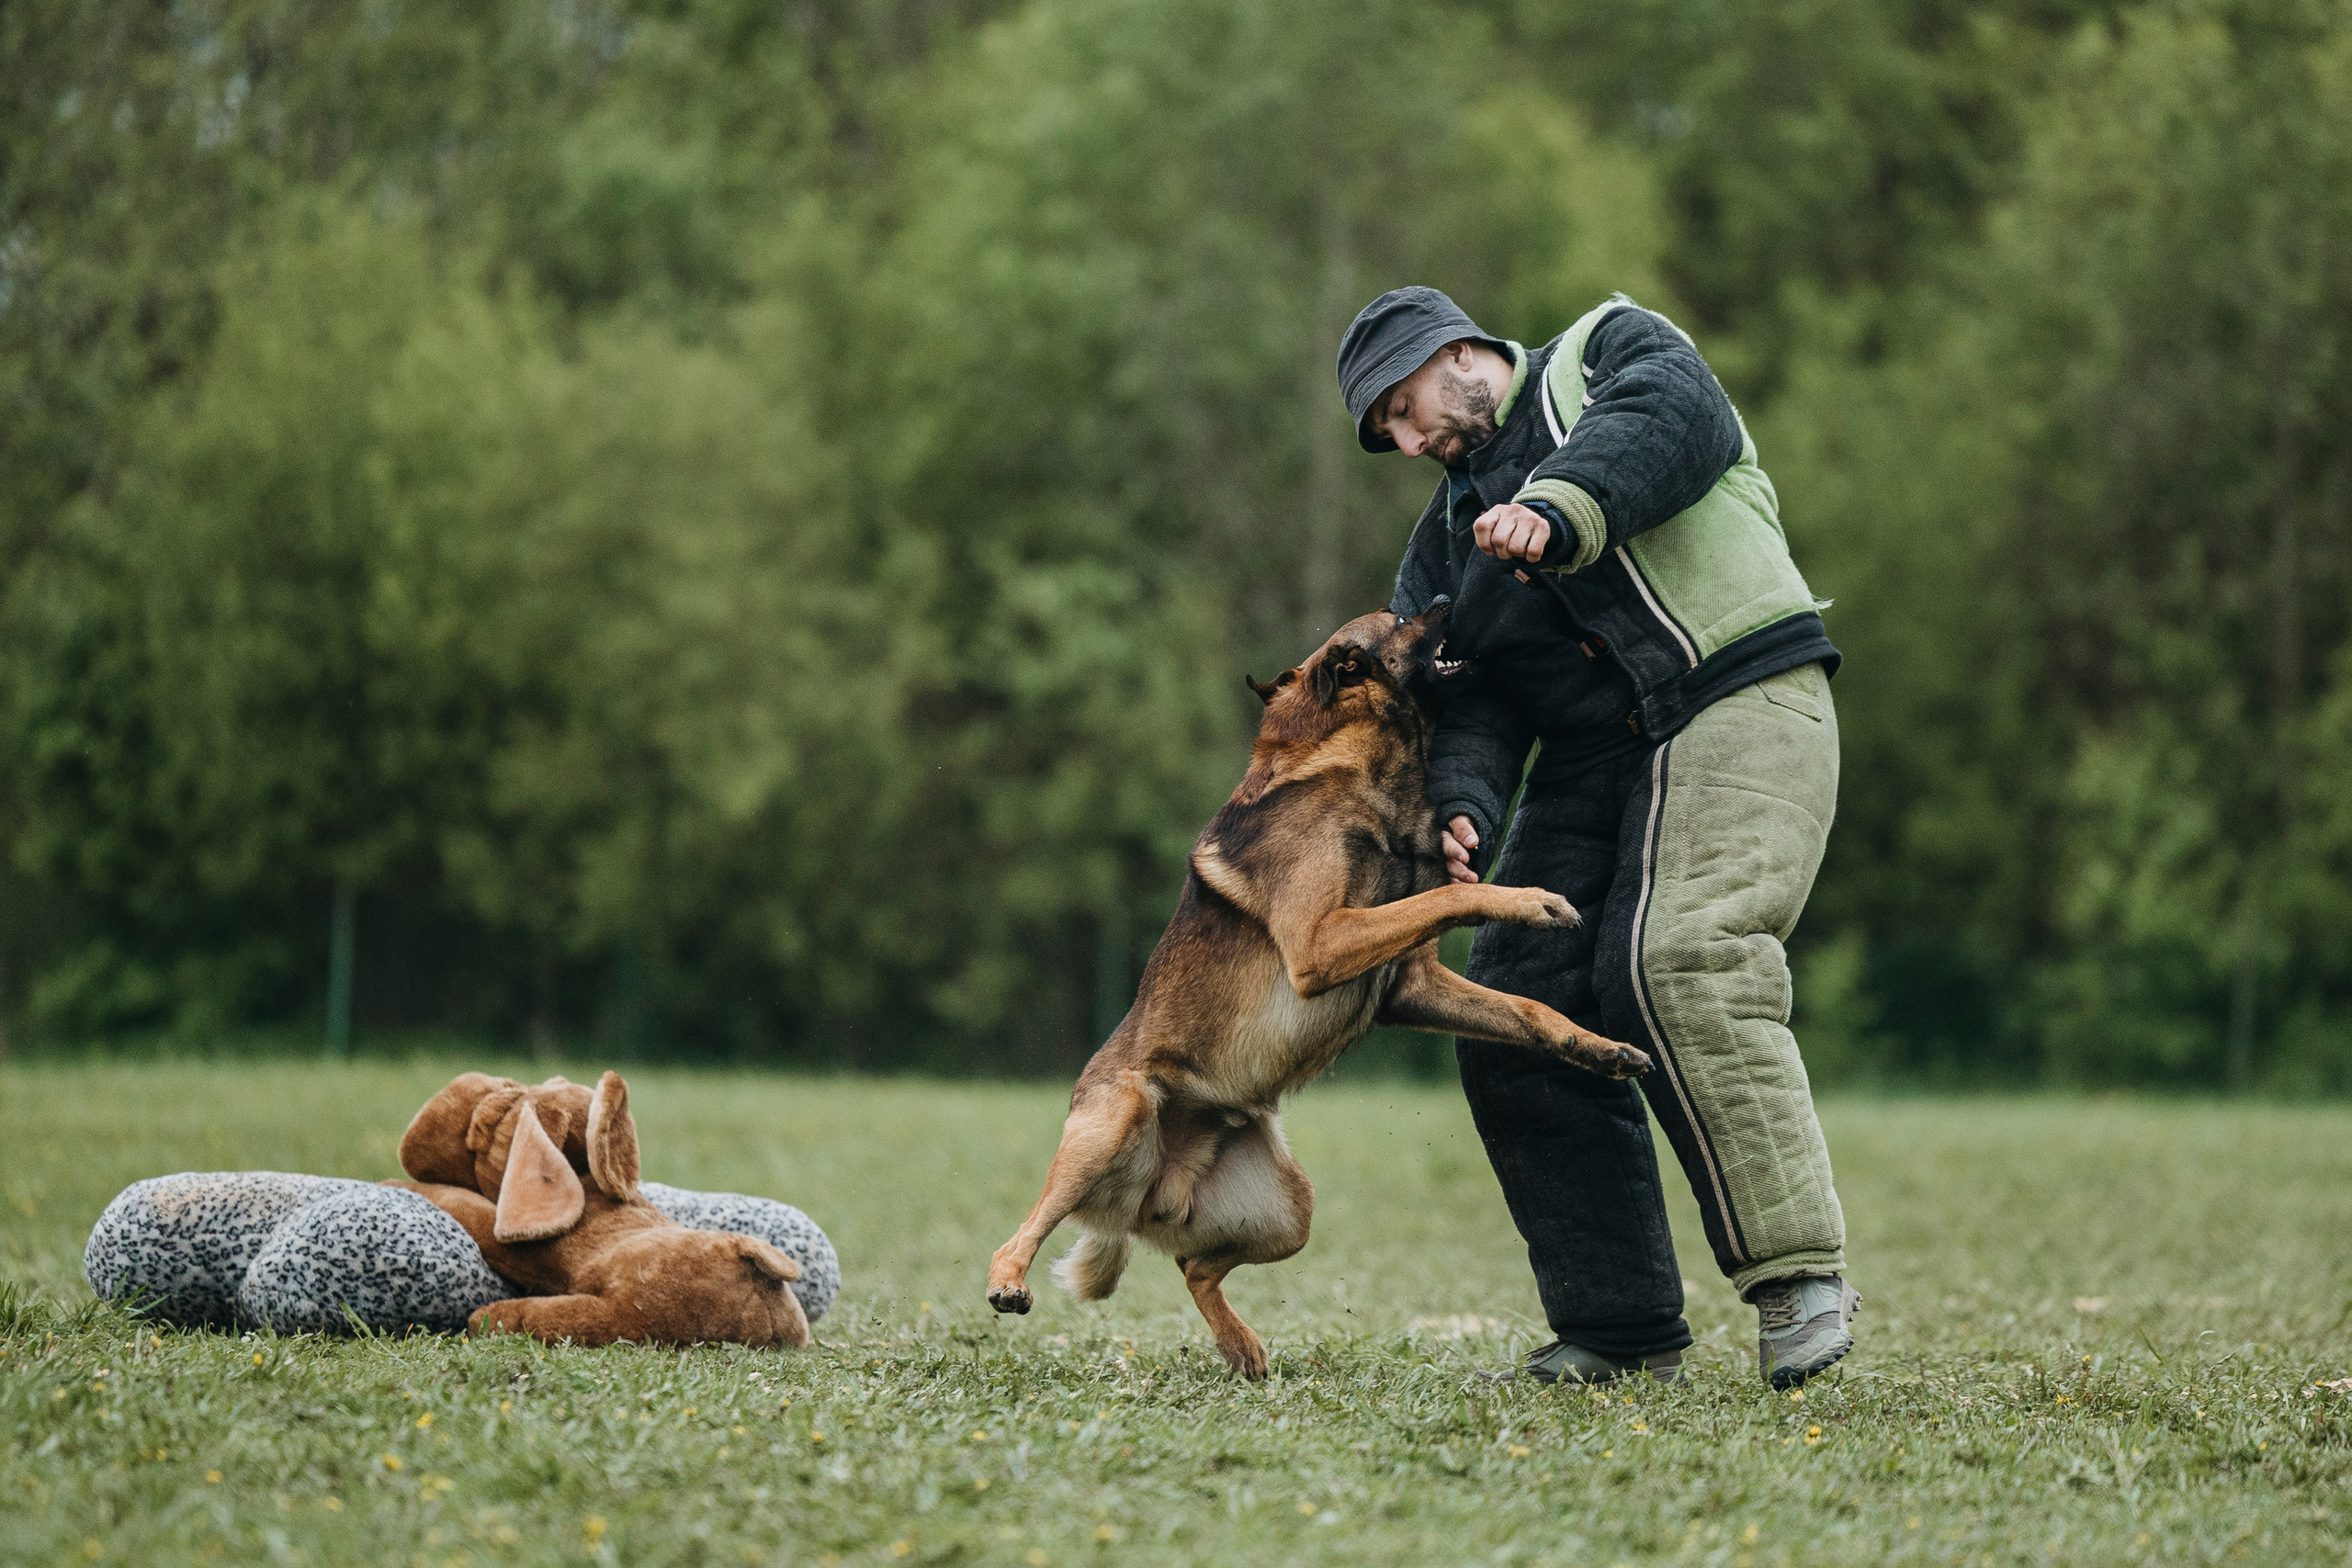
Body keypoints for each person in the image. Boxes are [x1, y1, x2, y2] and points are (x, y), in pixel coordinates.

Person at [1335, 286, 1858, 1388]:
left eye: (1404, 407)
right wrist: (1460, 808)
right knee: (1508, 1007)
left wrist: (1559, 505)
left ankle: (1798, 1276)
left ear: (1455, 350)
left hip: (1738, 692)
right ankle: (1618, 1330)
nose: (1409, 441)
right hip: (1590, 764)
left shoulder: (1606, 350)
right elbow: (1469, 701)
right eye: (1387, 432)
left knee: (1679, 956)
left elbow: (1670, 418)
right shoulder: (1440, 550)